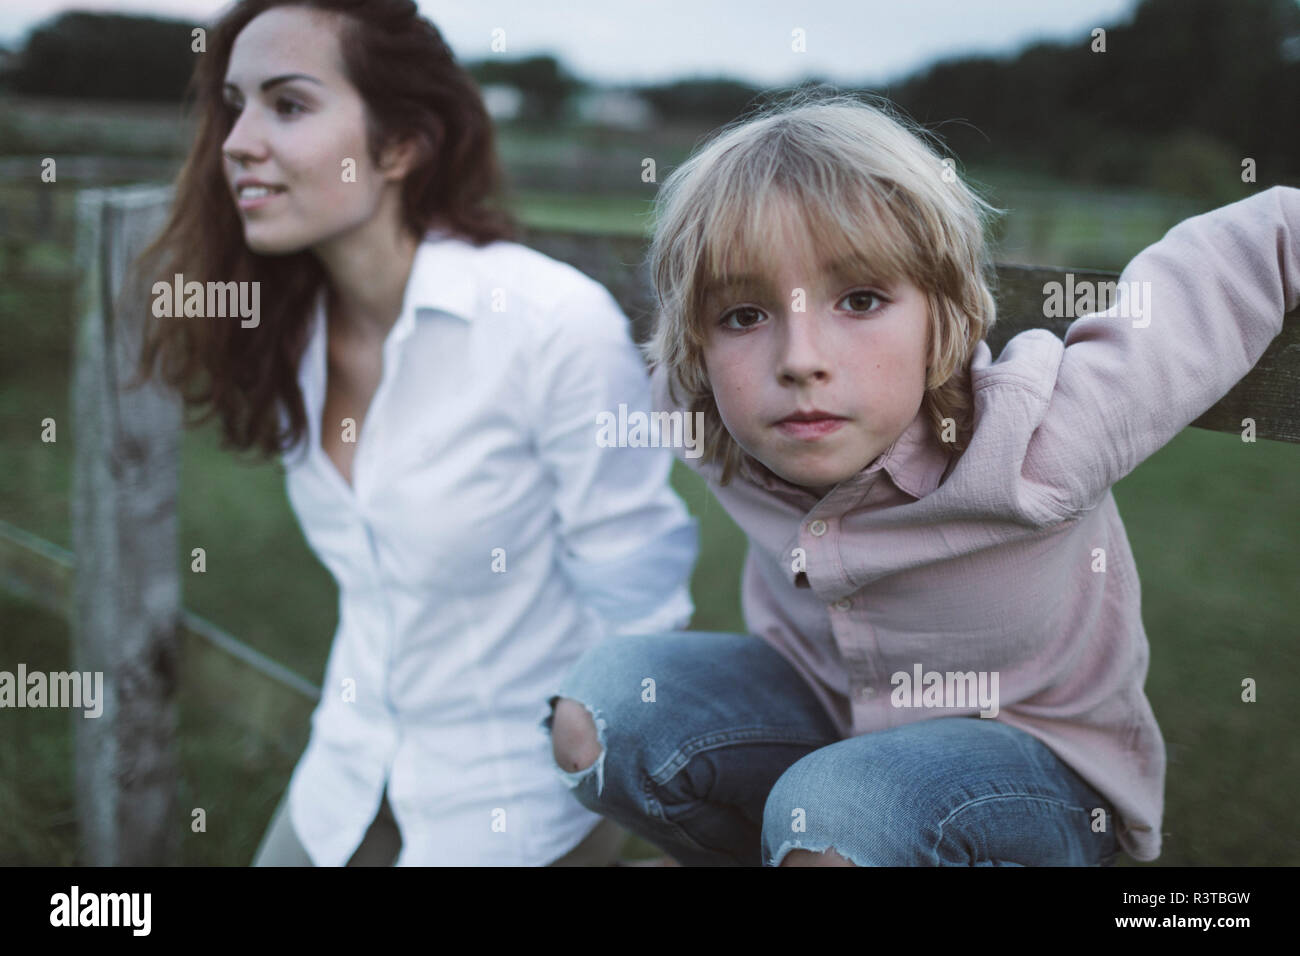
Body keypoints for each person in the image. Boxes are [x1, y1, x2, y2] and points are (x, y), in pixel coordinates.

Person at [543, 94, 1299, 866]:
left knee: (840, 811)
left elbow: (1260, 239)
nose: (800, 358)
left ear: (943, 315)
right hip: (825, 719)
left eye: (861, 300)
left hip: (1032, 768)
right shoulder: (716, 417)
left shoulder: (1046, 434)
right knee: (601, 712)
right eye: (743, 315)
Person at [131, 0, 697, 866]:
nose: (237, 141)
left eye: (287, 105)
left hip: (516, 811)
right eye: (233, 105)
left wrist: (594, 817)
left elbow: (643, 602)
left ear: (399, 145)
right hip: (345, 774)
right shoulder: (291, 333)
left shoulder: (548, 324)